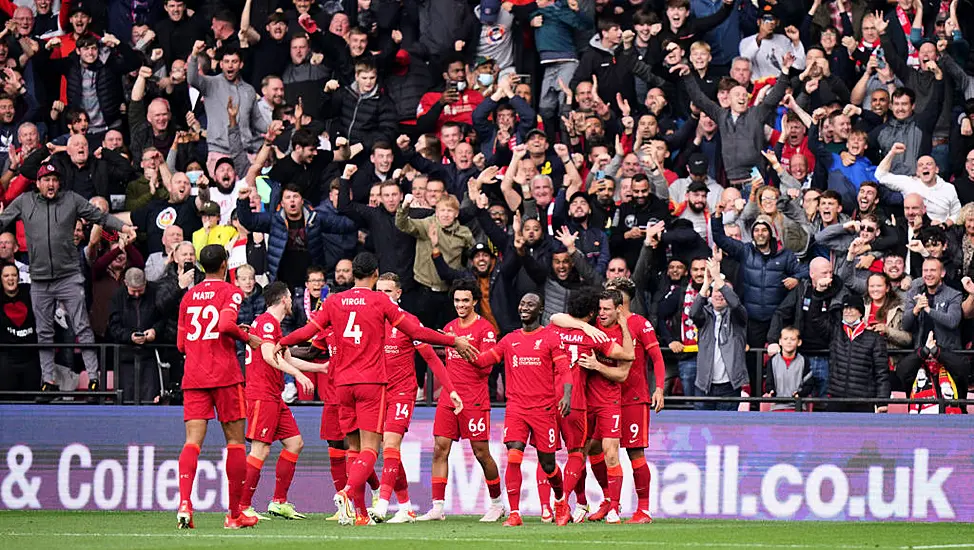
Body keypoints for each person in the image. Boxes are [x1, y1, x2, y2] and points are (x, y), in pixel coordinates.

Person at [274, 253, 477, 526]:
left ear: (352, 273)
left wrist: (282, 341)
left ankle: (359, 515)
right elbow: (417, 332)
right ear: (375, 274)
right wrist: (453, 341)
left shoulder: (334, 301)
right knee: (371, 449)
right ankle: (347, 492)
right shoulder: (380, 301)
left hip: (341, 385)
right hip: (371, 383)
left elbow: (307, 331)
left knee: (353, 450)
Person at [0, 163, 137, 399]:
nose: (51, 184)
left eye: (54, 179)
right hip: (40, 279)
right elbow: (3, 220)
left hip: (69, 276)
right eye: (46, 180)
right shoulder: (25, 201)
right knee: (43, 332)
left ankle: (93, 377)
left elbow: (99, 216)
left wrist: (123, 226)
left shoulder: (71, 199)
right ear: (38, 183)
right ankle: (49, 379)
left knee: (81, 326)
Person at [174, 245, 263, 530]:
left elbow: (180, 345)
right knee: (235, 442)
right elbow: (225, 324)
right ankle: (235, 515)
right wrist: (246, 338)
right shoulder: (231, 292)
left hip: (195, 376)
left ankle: (185, 504)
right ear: (225, 265)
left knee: (192, 442)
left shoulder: (188, 297)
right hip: (224, 374)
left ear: (202, 266)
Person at [471, 292, 572, 527]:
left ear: (541, 310)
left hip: (544, 409)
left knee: (548, 465)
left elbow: (565, 371)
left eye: (531, 304)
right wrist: (460, 347)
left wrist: (566, 396)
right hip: (516, 407)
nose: (525, 307)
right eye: (523, 303)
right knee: (513, 455)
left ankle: (560, 499)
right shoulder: (509, 340)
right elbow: (485, 360)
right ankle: (515, 513)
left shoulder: (550, 338)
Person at [371, 272, 461, 524]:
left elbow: (432, 357)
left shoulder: (408, 322)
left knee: (390, 444)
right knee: (387, 450)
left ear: (398, 294)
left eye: (388, 292)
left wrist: (450, 389)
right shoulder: (372, 322)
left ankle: (382, 505)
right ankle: (406, 507)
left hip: (402, 392)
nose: (382, 297)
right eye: (379, 292)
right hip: (378, 393)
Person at [417, 279, 504, 523]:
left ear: (475, 301)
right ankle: (437, 507)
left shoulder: (485, 329)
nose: (461, 305)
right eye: (457, 300)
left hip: (474, 398)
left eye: (466, 300)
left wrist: (468, 353)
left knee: (480, 452)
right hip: (449, 396)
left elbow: (487, 365)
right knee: (439, 449)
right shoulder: (449, 328)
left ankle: (497, 504)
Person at [237, 281, 325, 521]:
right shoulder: (266, 323)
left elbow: (287, 358)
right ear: (285, 299)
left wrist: (323, 368)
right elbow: (268, 356)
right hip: (261, 395)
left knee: (295, 443)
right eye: (290, 299)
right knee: (260, 449)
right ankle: (242, 506)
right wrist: (296, 376)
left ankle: (279, 502)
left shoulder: (272, 326)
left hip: (273, 396)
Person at [549, 288, 635, 524]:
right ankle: (584, 502)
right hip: (582, 402)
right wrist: (585, 327)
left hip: (607, 401)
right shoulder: (594, 332)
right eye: (600, 309)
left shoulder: (560, 331)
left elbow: (627, 365)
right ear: (591, 312)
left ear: (618, 310)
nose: (602, 312)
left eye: (607, 309)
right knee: (581, 452)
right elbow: (627, 354)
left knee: (608, 452)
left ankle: (613, 507)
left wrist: (598, 365)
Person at [807, 293, 890, 413]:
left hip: (864, 401)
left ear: (860, 312)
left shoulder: (875, 338)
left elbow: (881, 372)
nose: (848, 311)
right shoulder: (835, 331)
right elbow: (815, 318)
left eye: (852, 308)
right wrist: (818, 294)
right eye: (845, 308)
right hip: (837, 398)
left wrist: (882, 401)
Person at [689, 257, 748, 411]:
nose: (719, 295)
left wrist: (718, 279)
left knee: (727, 431)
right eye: (716, 291)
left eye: (723, 292)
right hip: (704, 385)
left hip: (729, 386)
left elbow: (735, 303)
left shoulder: (738, 316)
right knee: (700, 431)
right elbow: (693, 313)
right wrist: (707, 284)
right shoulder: (705, 315)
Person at [107, 267, 165, 404]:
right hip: (125, 355)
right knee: (126, 399)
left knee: (150, 399)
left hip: (150, 355)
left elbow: (164, 318)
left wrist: (155, 331)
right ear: (126, 283)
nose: (137, 295)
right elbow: (113, 326)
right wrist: (129, 336)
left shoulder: (155, 292)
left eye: (140, 290)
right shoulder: (117, 297)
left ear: (146, 283)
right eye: (134, 291)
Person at [763, 327, 815, 412]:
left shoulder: (804, 360)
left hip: (798, 407)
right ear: (780, 341)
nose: (789, 342)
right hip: (777, 407)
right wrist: (770, 390)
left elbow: (809, 384)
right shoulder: (772, 360)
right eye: (785, 339)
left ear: (799, 342)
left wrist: (799, 394)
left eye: (793, 339)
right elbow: (769, 382)